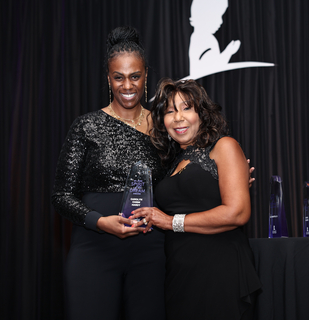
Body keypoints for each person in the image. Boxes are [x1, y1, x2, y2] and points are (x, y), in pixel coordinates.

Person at [51, 26, 166, 320]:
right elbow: (61, 196)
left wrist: (224, 177)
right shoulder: (86, 126)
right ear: (108, 78)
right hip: (94, 249)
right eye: (119, 77)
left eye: (135, 76)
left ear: (146, 75)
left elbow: (181, 180)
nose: (127, 85)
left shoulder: (164, 128)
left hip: (150, 252)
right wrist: (100, 222)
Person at [130, 78, 262, 320]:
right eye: (170, 111)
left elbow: (238, 213)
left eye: (186, 108)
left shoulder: (224, 146)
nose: (178, 117)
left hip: (220, 271)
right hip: (179, 274)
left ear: (202, 113)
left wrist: (171, 222)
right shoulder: (170, 164)